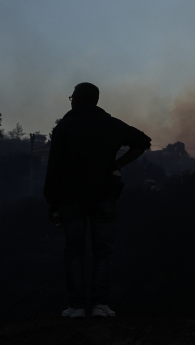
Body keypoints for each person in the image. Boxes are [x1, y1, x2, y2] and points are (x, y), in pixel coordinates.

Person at [44, 82, 151, 319]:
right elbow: (143, 141)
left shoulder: (65, 127)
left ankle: (77, 306)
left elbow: (54, 168)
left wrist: (52, 201)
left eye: (72, 97)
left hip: (71, 199)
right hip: (104, 195)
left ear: (79, 99)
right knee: (103, 251)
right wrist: (118, 164)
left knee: (74, 252)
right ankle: (101, 305)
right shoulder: (110, 124)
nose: (70, 100)